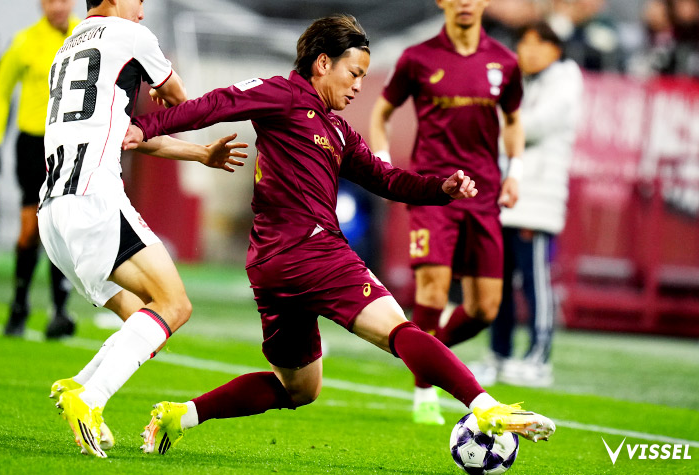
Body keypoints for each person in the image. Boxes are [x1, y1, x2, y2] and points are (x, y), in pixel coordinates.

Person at [122, 14, 555, 456]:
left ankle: (182, 415)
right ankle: (485, 406)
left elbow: (386, 178)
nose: (359, 86)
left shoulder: (337, 130)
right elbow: (215, 104)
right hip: (313, 250)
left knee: (299, 388)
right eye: (354, 73)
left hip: (271, 267)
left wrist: (439, 189)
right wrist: (145, 126)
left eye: (364, 76)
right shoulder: (282, 93)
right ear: (323, 63)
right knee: (398, 329)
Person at [39, 0, 247, 458]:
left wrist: (199, 154)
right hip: (94, 201)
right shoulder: (130, 36)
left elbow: (126, 134)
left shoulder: (67, 48)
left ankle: (78, 384)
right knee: (174, 305)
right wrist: (166, 91)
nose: (143, 12)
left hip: (53, 214)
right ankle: (90, 398)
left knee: (141, 315)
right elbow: (182, 99)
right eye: (139, 1)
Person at [369, 0, 525, 425]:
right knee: (433, 291)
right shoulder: (417, 58)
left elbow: (513, 120)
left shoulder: (505, 62)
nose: (465, 3)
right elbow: (381, 114)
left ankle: (430, 353)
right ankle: (424, 392)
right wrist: (384, 165)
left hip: (485, 194)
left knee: (485, 308)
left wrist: (515, 173)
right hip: (433, 191)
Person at [473, 22, 583, 387]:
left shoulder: (565, 81)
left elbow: (531, 126)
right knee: (498, 282)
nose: (529, 51)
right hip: (505, 196)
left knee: (535, 283)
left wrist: (497, 123)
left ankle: (539, 357)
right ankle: (499, 354)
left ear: (556, 50)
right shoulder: (520, 79)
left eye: (539, 44)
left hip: (537, 199)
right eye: (524, 43)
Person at [0, 0, 79, 338]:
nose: (58, 6)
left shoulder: (86, 35)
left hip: (70, 143)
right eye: (51, 1)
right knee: (30, 229)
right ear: (41, 4)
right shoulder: (24, 42)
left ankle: (60, 310)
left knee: (63, 228)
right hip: (33, 145)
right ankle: (20, 303)